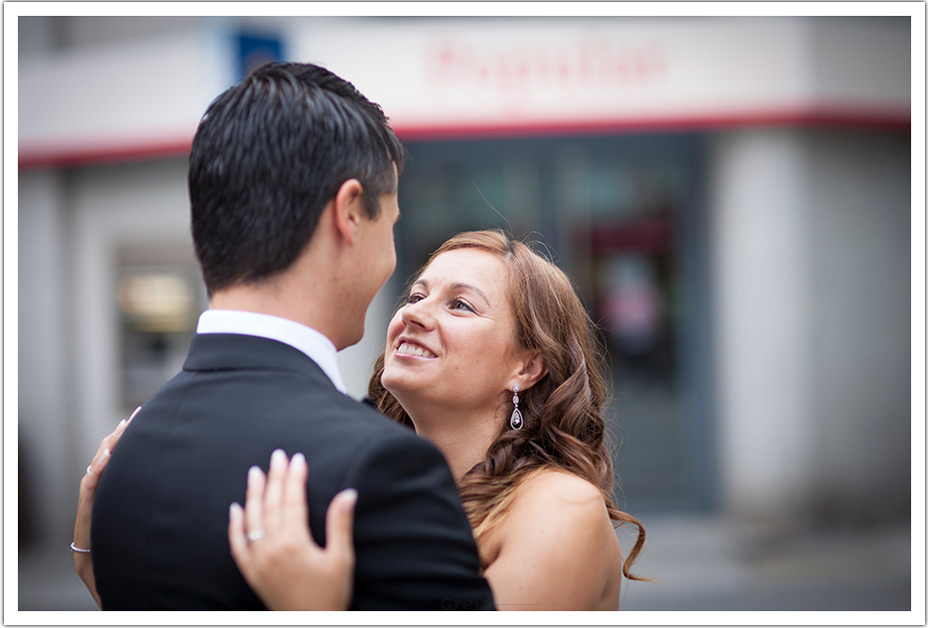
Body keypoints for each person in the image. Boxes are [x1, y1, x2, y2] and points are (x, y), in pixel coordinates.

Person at [76, 61, 494, 610]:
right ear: (349, 214)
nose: (393, 264)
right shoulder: (382, 467)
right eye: (389, 225)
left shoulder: (121, 463)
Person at [228, 230, 649, 609]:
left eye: (460, 305)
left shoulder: (559, 507)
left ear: (527, 367)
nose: (414, 314)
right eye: (415, 296)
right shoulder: (377, 484)